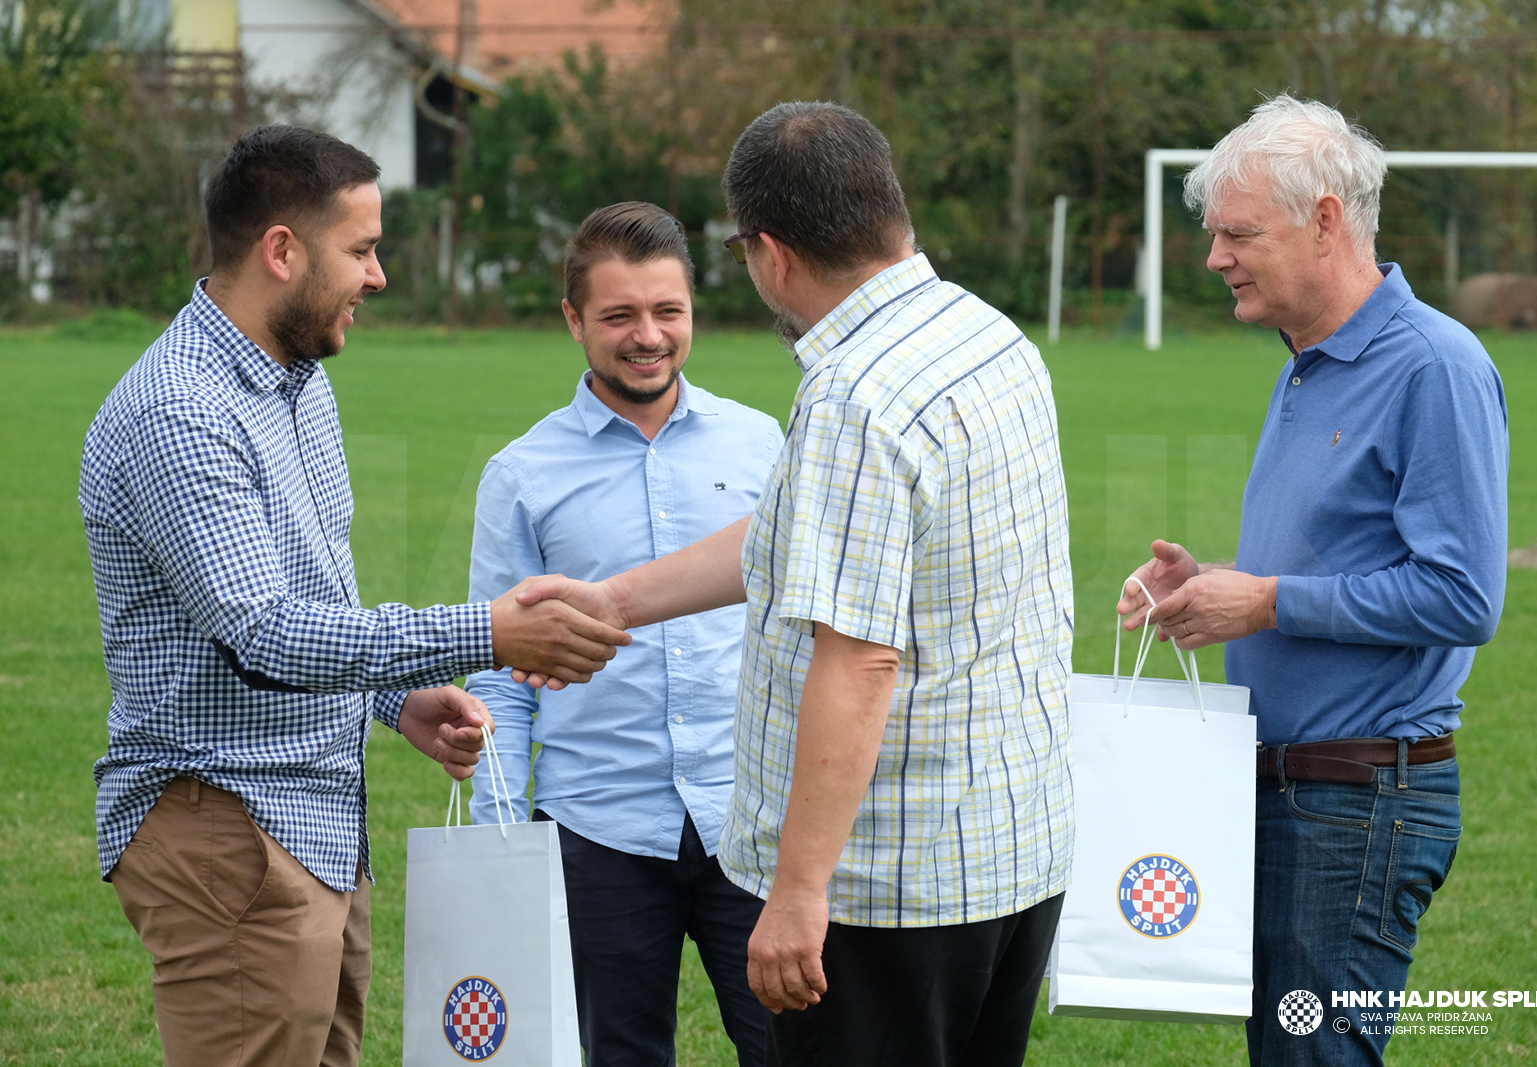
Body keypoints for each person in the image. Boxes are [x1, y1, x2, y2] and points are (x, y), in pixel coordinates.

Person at [513, 102, 1076, 1066]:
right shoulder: (987, 335)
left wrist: (800, 890)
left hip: (892, 893)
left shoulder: (856, 394)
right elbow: (796, 540)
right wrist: (613, 603)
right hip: (1012, 855)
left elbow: (858, 662)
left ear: (768, 253)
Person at [79, 125, 629, 1067]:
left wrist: (395, 700)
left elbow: (314, 599)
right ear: (282, 252)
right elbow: (265, 631)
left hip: (315, 825)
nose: (378, 277)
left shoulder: (297, 383)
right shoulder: (182, 410)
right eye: (363, 250)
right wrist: (491, 632)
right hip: (229, 825)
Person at [1117, 95, 1508, 1066]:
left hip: (1359, 799)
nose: (1214, 257)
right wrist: (1205, 585)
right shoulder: (1304, 365)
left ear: (1326, 219)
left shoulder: (1432, 367)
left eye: (1237, 232)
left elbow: (1464, 596)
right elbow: (1338, 563)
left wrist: (1266, 601)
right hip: (1283, 789)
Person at [464, 201, 783, 1066]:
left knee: (795, 1048)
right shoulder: (522, 475)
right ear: (574, 320)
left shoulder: (766, 446)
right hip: (595, 830)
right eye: (619, 315)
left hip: (751, 823)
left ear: (692, 311)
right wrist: (502, 849)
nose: (648, 335)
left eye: (667, 311)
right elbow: (497, 670)